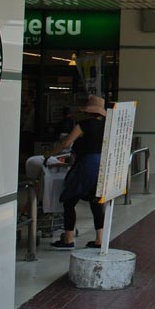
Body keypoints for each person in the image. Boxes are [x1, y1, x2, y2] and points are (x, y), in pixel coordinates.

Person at [46, 94, 108, 250]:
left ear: (87, 111)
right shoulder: (107, 126)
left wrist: (50, 154)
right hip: (102, 165)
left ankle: (68, 239)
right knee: (96, 201)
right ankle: (99, 240)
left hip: (87, 164)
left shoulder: (83, 125)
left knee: (69, 200)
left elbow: (66, 143)